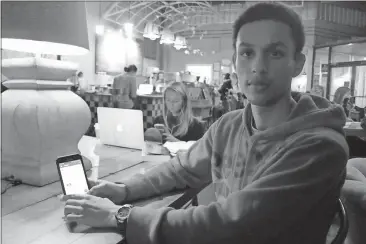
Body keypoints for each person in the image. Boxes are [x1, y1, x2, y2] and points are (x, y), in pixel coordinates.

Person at [62, 3, 349, 244]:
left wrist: (119, 215)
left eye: (275, 53)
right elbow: (180, 170)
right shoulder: (230, 125)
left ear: (297, 63)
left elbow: (231, 224)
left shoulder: (321, 146)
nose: (258, 67)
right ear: (235, 61)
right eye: (247, 53)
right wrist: (124, 189)